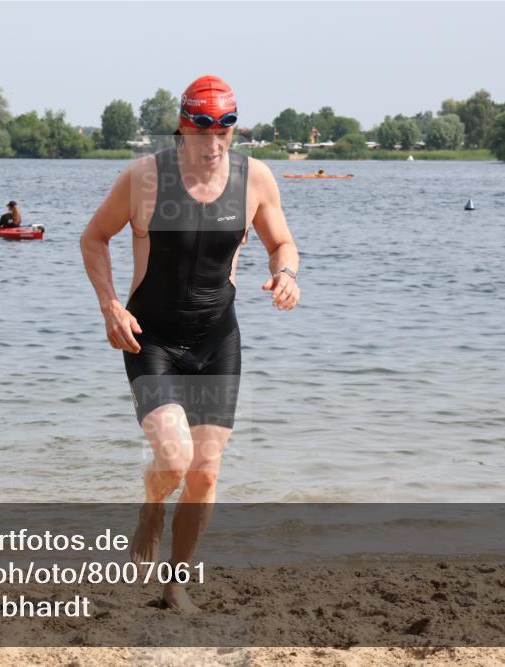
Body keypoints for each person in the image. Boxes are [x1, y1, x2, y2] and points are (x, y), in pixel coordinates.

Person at [80, 75, 299, 612]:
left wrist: (286, 273)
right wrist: (110, 306)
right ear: (183, 127)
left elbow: (281, 242)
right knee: (175, 462)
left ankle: (175, 585)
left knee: (205, 473)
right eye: (203, 128)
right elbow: (94, 237)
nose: (215, 140)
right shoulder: (144, 177)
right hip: (151, 338)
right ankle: (152, 505)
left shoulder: (255, 179)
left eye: (225, 128)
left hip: (216, 339)